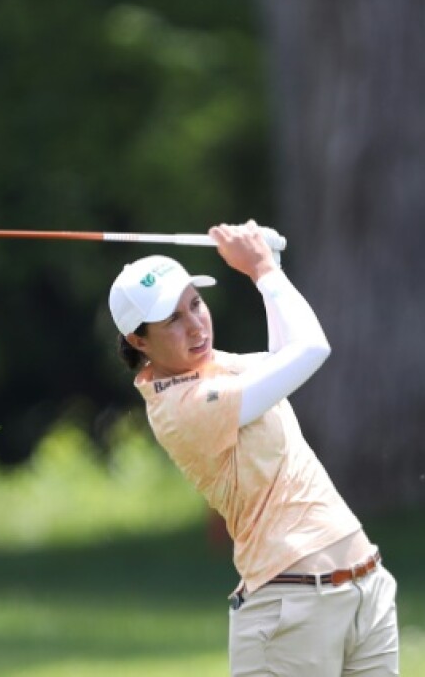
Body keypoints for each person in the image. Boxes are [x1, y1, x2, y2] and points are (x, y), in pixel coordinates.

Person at [108, 221, 399, 676]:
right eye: (173, 320)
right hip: (290, 611)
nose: (196, 325)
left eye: (196, 304)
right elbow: (311, 349)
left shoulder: (215, 367)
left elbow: (286, 355)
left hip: (364, 588)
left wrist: (272, 264)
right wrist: (261, 269)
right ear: (138, 341)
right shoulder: (179, 406)